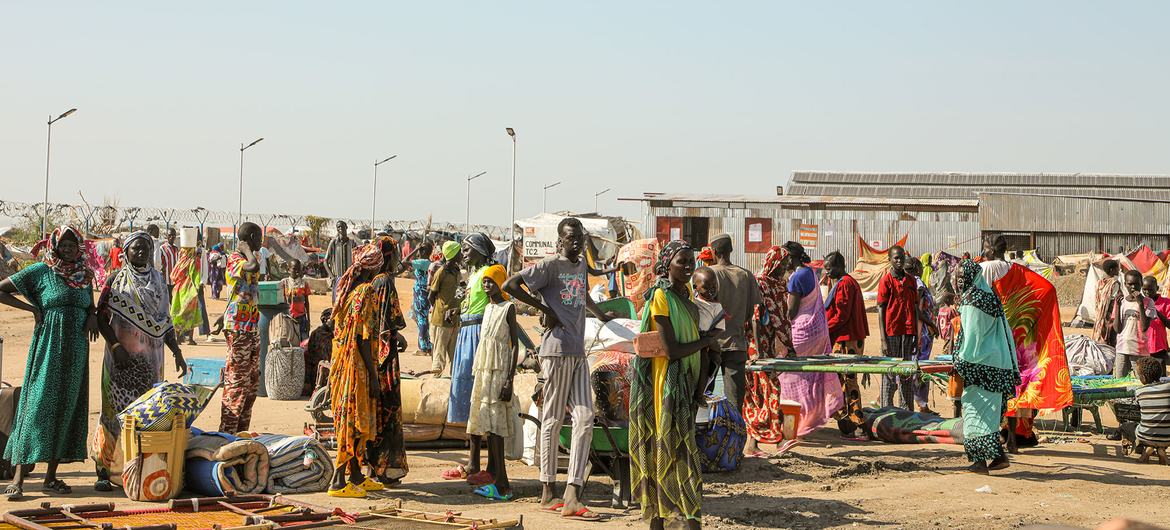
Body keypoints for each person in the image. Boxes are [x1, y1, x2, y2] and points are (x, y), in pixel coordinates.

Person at [502, 217, 612, 519]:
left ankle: (572, 491)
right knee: (551, 419)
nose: (575, 242)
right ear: (559, 241)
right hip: (555, 351)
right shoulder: (549, 266)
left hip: (577, 350)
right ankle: (548, 490)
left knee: (585, 416)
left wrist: (602, 314)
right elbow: (510, 284)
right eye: (570, 238)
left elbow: (582, 296)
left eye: (579, 237)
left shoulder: (579, 266)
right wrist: (544, 310)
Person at [0, 226, 97, 500]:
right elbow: (2, 290)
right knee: (37, 406)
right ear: (54, 246)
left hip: (76, 349)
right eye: (63, 245)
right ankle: (18, 478)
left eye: (72, 245)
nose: (67, 249)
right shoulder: (41, 271)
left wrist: (91, 314)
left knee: (67, 407)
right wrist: (32, 309)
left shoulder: (84, 275)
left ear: (79, 247)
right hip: (48, 346)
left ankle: (51, 478)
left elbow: (89, 305)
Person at [91, 231, 188, 491]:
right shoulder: (116, 280)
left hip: (151, 363)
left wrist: (177, 352)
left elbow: (165, 321)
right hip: (120, 362)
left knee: (146, 415)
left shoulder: (159, 281)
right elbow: (101, 317)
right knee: (113, 414)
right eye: (136, 248)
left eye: (146, 247)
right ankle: (104, 469)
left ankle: (136, 468)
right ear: (126, 251)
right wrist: (115, 346)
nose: (142, 252)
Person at [630, 240, 713, 530]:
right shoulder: (660, 297)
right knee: (673, 451)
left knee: (678, 451)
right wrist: (707, 341)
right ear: (667, 264)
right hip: (667, 385)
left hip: (687, 383)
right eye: (682, 261)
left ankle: (666, 521)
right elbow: (673, 349)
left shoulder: (687, 293)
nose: (689, 266)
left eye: (691, 261)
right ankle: (680, 522)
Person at [327, 243, 386, 498]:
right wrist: (373, 376)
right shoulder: (366, 292)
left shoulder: (347, 291)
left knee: (351, 417)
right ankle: (338, 481)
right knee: (352, 419)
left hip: (342, 363)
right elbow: (363, 339)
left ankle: (357, 476)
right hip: (356, 367)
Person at [953, 260, 1020, 475]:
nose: (960, 281)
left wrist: (961, 360)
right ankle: (999, 457)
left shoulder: (973, 299)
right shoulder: (989, 294)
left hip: (981, 364)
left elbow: (973, 335)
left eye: (963, 277)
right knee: (989, 413)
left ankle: (980, 462)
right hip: (998, 363)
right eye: (958, 277)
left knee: (975, 410)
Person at [441, 233, 496, 485]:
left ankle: (478, 464)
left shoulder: (489, 273)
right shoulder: (473, 275)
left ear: (480, 251)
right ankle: (473, 462)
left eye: (467, 248)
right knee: (469, 396)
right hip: (466, 332)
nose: (463, 253)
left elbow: (497, 307)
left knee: (478, 396)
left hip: (478, 335)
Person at [776, 242, 843, 438]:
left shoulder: (796, 277)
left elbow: (791, 311)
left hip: (801, 332)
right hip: (817, 330)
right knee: (809, 376)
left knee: (788, 376)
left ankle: (794, 424)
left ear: (790, 258)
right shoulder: (810, 272)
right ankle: (809, 418)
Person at [467, 265, 520, 501]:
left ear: (500, 282)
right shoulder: (488, 308)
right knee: (489, 425)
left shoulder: (508, 308)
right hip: (485, 372)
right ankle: (495, 476)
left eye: (491, 281)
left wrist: (509, 379)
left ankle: (502, 484)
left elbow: (515, 344)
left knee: (497, 428)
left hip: (499, 374)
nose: (486, 285)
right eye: (484, 281)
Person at [743, 246, 794, 455]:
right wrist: (759, 353)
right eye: (782, 264)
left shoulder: (778, 285)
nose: (785, 268)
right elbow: (756, 317)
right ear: (773, 263)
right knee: (762, 391)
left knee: (769, 390)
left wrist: (787, 346)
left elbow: (783, 319)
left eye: (786, 265)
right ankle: (762, 442)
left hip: (769, 345)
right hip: (756, 346)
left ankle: (770, 440)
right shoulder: (760, 284)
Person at [367, 236, 410, 485]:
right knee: (388, 410)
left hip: (373, 353)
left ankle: (375, 468)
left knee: (377, 411)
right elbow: (386, 322)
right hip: (384, 359)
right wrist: (395, 336)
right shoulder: (385, 282)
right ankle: (383, 469)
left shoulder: (373, 281)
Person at [707, 232, 762, 412]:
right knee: (734, 402)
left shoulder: (709, 274)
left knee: (706, 397)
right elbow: (753, 313)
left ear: (714, 251)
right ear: (730, 250)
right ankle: (734, 437)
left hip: (710, 345)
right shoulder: (746, 275)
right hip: (737, 344)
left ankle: (709, 437)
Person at [220, 223, 263, 433]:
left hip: (251, 325)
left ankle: (241, 431)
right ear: (252, 237)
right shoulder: (236, 259)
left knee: (251, 383)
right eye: (259, 237)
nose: (261, 242)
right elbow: (252, 267)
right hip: (238, 327)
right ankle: (227, 433)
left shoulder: (252, 257)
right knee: (236, 381)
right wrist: (246, 248)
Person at [823, 250, 868, 436]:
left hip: (846, 339)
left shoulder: (845, 284)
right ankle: (849, 423)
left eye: (829, 268)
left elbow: (841, 315)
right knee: (843, 381)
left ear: (839, 266)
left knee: (848, 382)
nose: (826, 272)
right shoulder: (844, 282)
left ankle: (857, 424)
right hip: (848, 337)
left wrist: (823, 327)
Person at [877, 245, 919, 408]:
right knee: (889, 373)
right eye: (896, 258)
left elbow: (915, 308)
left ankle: (906, 412)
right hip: (891, 332)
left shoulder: (910, 281)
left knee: (906, 374)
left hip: (908, 333)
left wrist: (916, 335)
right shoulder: (886, 281)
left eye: (901, 257)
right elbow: (881, 309)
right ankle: (886, 409)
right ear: (890, 260)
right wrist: (883, 339)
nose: (900, 261)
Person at [907, 258, 939, 413]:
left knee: (917, 367)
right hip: (921, 333)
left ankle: (921, 404)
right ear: (917, 268)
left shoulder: (911, 282)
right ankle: (922, 405)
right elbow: (917, 311)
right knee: (920, 368)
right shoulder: (918, 284)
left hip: (921, 332)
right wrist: (932, 325)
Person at [1118, 356, 1170, 451]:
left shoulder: (1140, 391)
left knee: (1125, 426)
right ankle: (1159, 449)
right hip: (1168, 437)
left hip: (1146, 435)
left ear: (1143, 377)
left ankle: (1142, 448)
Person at [428, 241, 462, 376]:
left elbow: (458, 290)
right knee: (439, 351)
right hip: (442, 318)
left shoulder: (457, 271)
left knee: (455, 352)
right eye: (459, 252)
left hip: (455, 317)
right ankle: (435, 378)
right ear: (453, 254)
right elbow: (432, 294)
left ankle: (455, 379)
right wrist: (440, 309)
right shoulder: (441, 272)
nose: (461, 255)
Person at [1114, 270, 1152, 378]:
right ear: (1125, 284)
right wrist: (1117, 307)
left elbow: (1144, 327)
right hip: (1122, 348)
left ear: (1141, 284)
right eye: (1130, 284)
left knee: (1141, 380)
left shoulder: (1148, 302)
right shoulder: (1121, 302)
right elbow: (1117, 329)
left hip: (1139, 349)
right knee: (1119, 380)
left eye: (1136, 284)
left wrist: (1140, 304)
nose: (1133, 287)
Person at [409, 242, 435, 355]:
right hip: (422, 294)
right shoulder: (427, 263)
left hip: (421, 295)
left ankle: (424, 347)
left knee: (422, 320)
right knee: (422, 320)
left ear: (423, 252)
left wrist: (414, 250)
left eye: (419, 251)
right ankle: (427, 344)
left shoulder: (422, 262)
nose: (417, 253)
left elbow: (404, 262)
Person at [1142, 276, 1170, 375]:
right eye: (1144, 289)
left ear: (1157, 288)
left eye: (1150, 289)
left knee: (1160, 374)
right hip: (1143, 345)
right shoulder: (1140, 302)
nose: (1147, 292)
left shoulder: (1166, 303)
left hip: (1158, 345)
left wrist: (1155, 310)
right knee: (1146, 373)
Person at [304, 307, 334, 396]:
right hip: (318, 368)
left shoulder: (333, 335)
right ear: (325, 320)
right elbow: (310, 353)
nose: (335, 323)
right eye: (332, 320)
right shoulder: (317, 334)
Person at [280, 259, 312, 339]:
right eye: (294, 268)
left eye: (299, 269)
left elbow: (307, 303)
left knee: (303, 341)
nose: (297, 271)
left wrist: (308, 320)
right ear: (288, 270)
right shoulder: (284, 283)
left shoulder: (304, 283)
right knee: (290, 341)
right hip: (288, 317)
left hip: (301, 318)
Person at [326, 220, 357, 302]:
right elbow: (325, 261)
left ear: (346, 227)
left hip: (350, 279)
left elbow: (357, 260)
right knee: (337, 303)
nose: (341, 228)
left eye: (342, 226)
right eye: (338, 227)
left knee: (349, 303)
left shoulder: (352, 243)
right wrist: (332, 277)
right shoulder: (333, 243)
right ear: (337, 229)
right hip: (338, 279)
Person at [1094, 259, 1123, 347]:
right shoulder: (1114, 284)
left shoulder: (1099, 283)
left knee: (1100, 339)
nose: (1119, 271)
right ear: (1112, 270)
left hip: (1099, 316)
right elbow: (1115, 300)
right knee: (1110, 340)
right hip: (1110, 317)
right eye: (1117, 269)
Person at [158, 228, 179, 294]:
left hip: (175, 280)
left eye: (173, 235)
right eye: (169, 235)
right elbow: (159, 263)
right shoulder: (162, 248)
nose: (171, 237)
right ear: (167, 236)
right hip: (166, 280)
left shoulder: (176, 248)